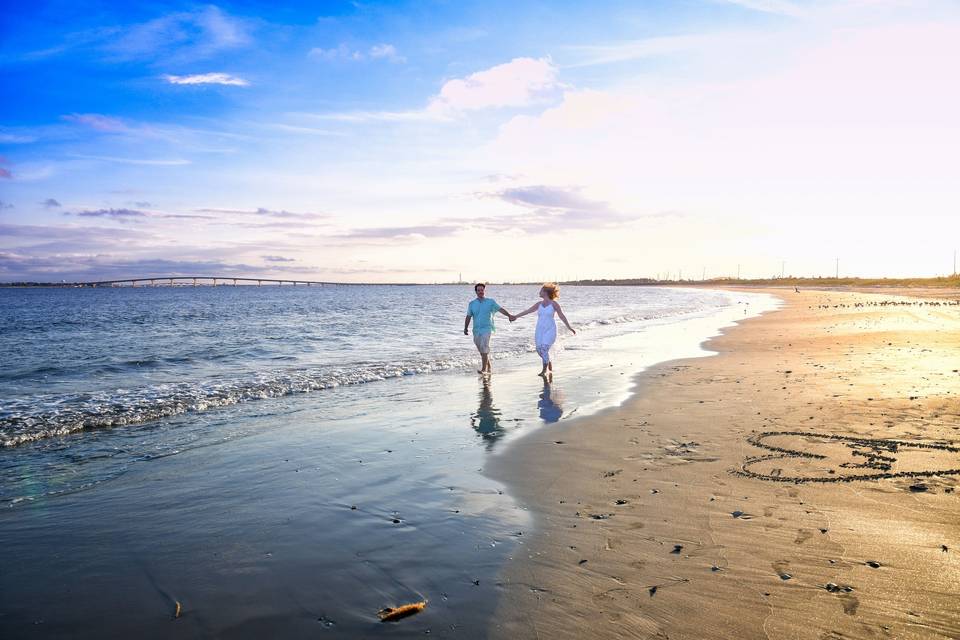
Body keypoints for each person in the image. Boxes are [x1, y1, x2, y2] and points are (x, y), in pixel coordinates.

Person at [510, 282, 575, 377]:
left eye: (541, 290)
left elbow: (561, 316)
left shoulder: (554, 304)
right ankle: (549, 366)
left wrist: (569, 327)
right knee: (539, 350)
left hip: (550, 329)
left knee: (544, 349)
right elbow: (527, 311)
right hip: (540, 330)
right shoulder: (539, 304)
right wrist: (515, 316)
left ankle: (544, 370)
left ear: (545, 292)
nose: (539, 292)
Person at [464, 283, 513, 375]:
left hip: (487, 329)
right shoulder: (472, 304)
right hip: (476, 330)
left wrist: (509, 315)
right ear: (476, 292)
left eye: (482, 290)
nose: (480, 292)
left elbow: (500, 309)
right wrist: (465, 328)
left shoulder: (490, 302)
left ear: (484, 291)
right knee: (482, 351)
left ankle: (483, 369)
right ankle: (489, 366)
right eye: (478, 290)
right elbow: (468, 316)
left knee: (484, 348)